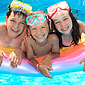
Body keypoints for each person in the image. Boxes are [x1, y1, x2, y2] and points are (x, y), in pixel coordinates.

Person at [0, 1, 32, 66]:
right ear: (6, 20)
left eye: (21, 23)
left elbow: (32, 54)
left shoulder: (26, 36)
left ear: (25, 25)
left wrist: (20, 51)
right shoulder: (0, 29)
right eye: (13, 20)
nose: (16, 26)